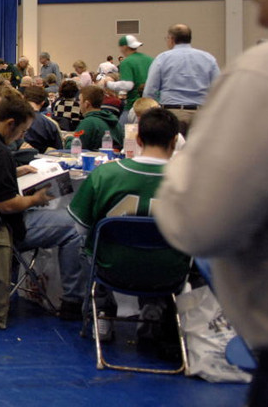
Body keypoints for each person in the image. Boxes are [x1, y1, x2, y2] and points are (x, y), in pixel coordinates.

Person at [155, 0, 268, 406]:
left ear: (170, 37)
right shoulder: (211, 59)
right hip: (200, 113)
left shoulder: (260, 74)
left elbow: (198, 222)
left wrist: (179, 163)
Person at [0, 92, 85, 320]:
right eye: (22, 132)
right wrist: (37, 199)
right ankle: (73, 301)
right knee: (74, 228)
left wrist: (14, 171)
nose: (21, 137)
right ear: (10, 124)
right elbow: (7, 205)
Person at [68, 107, 188, 341]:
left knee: (84, 244)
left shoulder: (106, 174)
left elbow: (80, 228)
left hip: (113, 269)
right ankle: (160, 309)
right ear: (175, 141)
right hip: (171, 272)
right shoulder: (191, 180)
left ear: (139, 139)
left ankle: (101, 312)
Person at [142, 24, 220, 133]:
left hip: (173, 113)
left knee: (174, 147)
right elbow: (219, 88)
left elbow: (150, 90)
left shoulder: (162, 58)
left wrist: (152, 114)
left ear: (172, 39)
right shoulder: (208, 58)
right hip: (201, 114)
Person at [102, 35, 153, 119]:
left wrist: (108, 83)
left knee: (122, 129)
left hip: (135, 105)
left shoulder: (127, 62)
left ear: (124, 47)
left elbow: (127, 85)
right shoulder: (150, 59)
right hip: (152, 103)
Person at [67, 85, 122, 151]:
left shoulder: (88, 123)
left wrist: (69, 138)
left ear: (86, 104)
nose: (79, 104)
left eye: (80, 101)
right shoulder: (115, 122)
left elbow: (74, 149)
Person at [22, 86, 62, 153]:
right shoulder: (50, 124)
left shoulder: (12, 119)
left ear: (24, 98)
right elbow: (58, 151)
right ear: (43, 103)